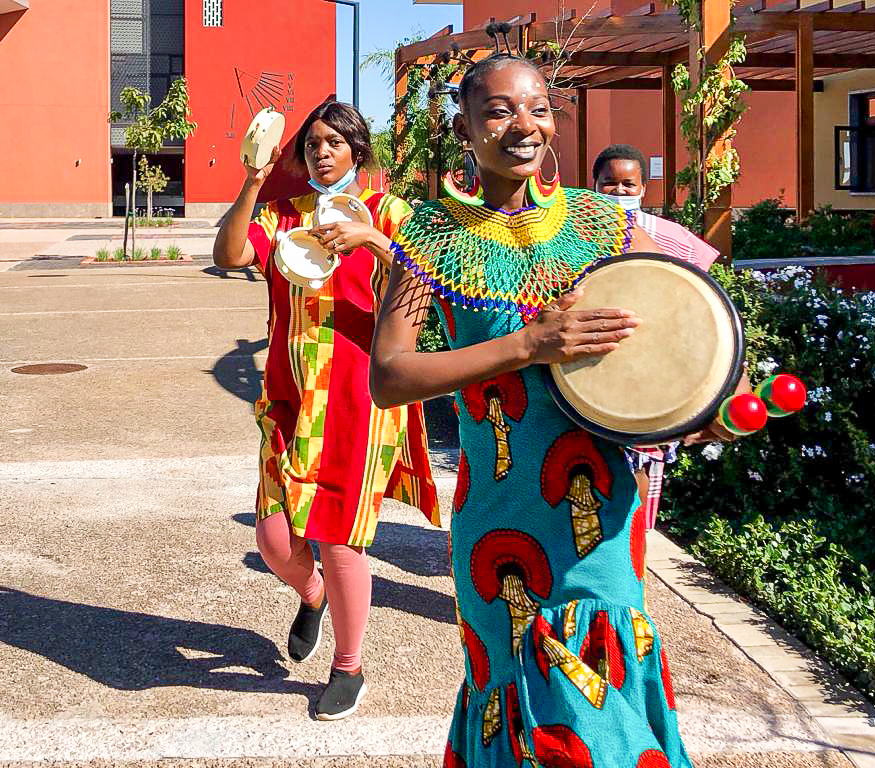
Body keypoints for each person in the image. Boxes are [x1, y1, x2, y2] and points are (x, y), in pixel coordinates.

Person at [370, 53, 742, 767]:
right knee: (510, 690)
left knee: (595, 704)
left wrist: (703, 408)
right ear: (464, 126)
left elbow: (667, 340)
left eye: (538, 108)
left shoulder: (605, 223)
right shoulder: (429, 235)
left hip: (600, 503)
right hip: (498, 515)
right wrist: (529, 344)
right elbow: (389, 375)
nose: (524, 124)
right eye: (500, 109)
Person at [212, 101, 438, 720]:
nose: (322, 150)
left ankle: (349, 667)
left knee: (339, 539)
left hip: (359, 400)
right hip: (287, 394)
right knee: (274, 539)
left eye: (335, 141)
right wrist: (254, 177)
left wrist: (372, 238)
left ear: (358, 150)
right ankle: (310, 595)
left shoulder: (391, 213)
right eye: (313, 142)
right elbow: (230, 255)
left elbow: (434, 283)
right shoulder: (283, 215)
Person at [593, 143, 720, 528]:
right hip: (596, 360)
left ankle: (635, 545)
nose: (619, 192)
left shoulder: (672, 236)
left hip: (653, 364)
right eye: (609, 183)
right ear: (594, 185)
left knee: (645, 456)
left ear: (644, 188)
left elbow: (702, 296)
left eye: (628, 184)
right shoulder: (574, 232)